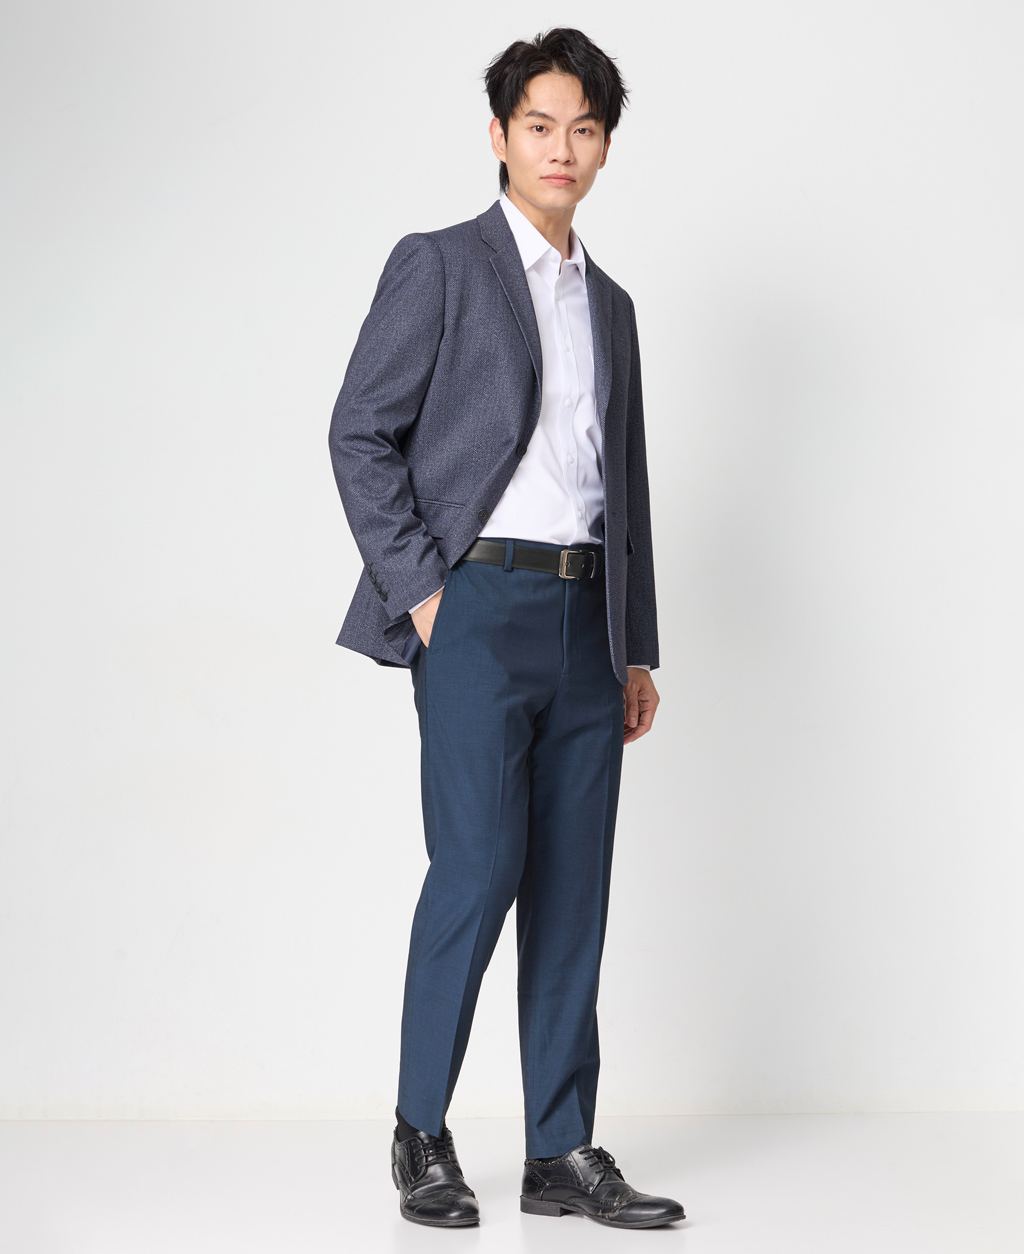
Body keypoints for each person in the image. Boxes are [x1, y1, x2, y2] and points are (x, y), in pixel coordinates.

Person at [329, 27, 684, 1230]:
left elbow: (623, 482)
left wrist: (635, 644)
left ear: (604, 147)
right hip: (476, 608)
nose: (561, 148)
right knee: (477, 870)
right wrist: (426, 594)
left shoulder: (612, 305)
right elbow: (358, 431)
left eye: (583, 128)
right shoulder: (440, 265)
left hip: (587, 620)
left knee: (574, 889)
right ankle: (419, 1133)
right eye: (539, 125)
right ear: (499, 135)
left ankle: (558, 1151)